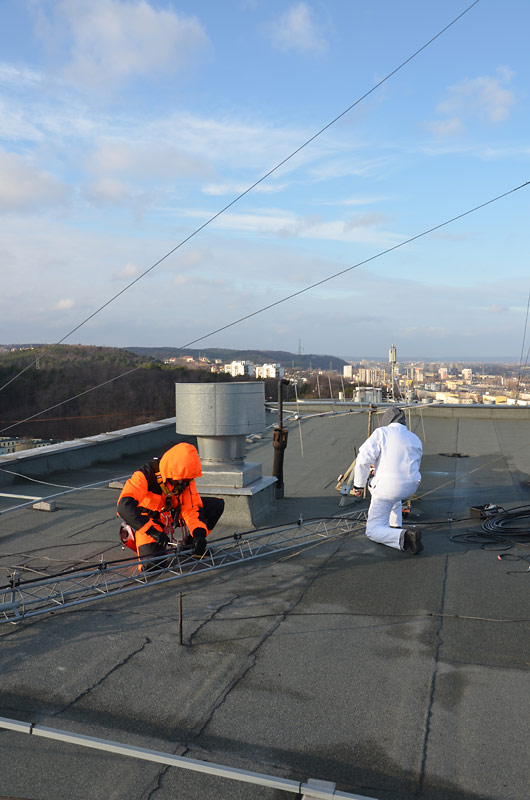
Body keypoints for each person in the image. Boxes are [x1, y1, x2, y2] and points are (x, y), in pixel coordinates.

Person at [117, 442, 224, 561]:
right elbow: (124, 506)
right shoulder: (145, 475)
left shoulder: (186, 478)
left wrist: (199, 534)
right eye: (180, 480)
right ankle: (137, 537)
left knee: (215, 506)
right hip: (150, 521)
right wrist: (152, 531)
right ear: (170, 472)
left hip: (172, 515)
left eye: (186, 481)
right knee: (152, 564)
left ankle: (190, 546)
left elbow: (191, 509)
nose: (182, 484)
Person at [352, 407, 423, 554]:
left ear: (386, 420)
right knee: (394, 495)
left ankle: (404, 536)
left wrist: (358, 486)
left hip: (388, 489)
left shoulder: (381, 433)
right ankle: (395, 525)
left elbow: (363, 460)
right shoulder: (414, 438)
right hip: (410, 487)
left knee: (372, 530)